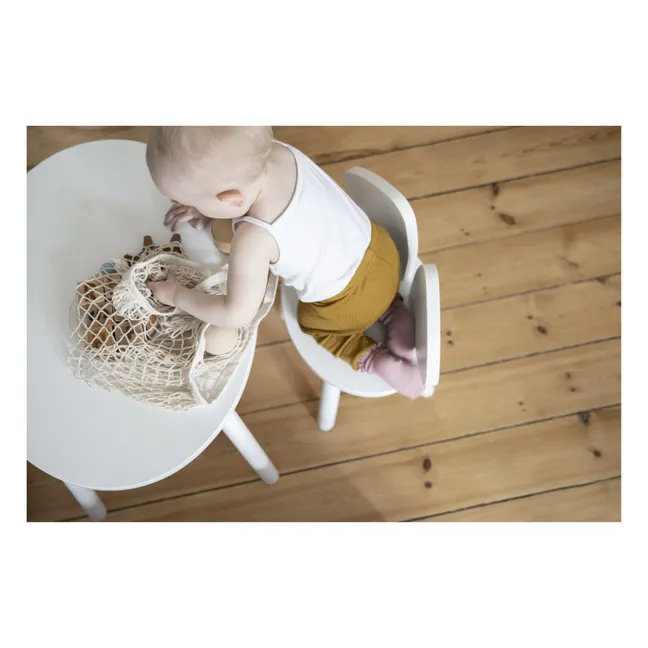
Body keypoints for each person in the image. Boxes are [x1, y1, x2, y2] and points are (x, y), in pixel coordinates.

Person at [146, 126, 425, 398]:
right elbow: (247, 196)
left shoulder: (253, 239)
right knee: (369, 282)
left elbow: (235, 314)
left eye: (186, 199)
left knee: (311, 322)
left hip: (346, 305)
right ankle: (394, 310)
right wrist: (208, 206)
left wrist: (176, 295)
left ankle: (372, 359)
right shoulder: (278, 153)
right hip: (383, 252)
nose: (183, 204)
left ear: (230, 199)